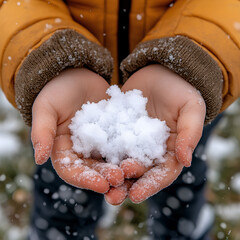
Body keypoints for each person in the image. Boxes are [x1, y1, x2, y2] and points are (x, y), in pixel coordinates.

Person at [0, 0, 239, 239]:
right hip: (68, 97)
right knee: (64, 199)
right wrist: (49, 57)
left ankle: (185, 228)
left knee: (182, 168)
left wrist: (194, 57)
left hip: (181, 97)